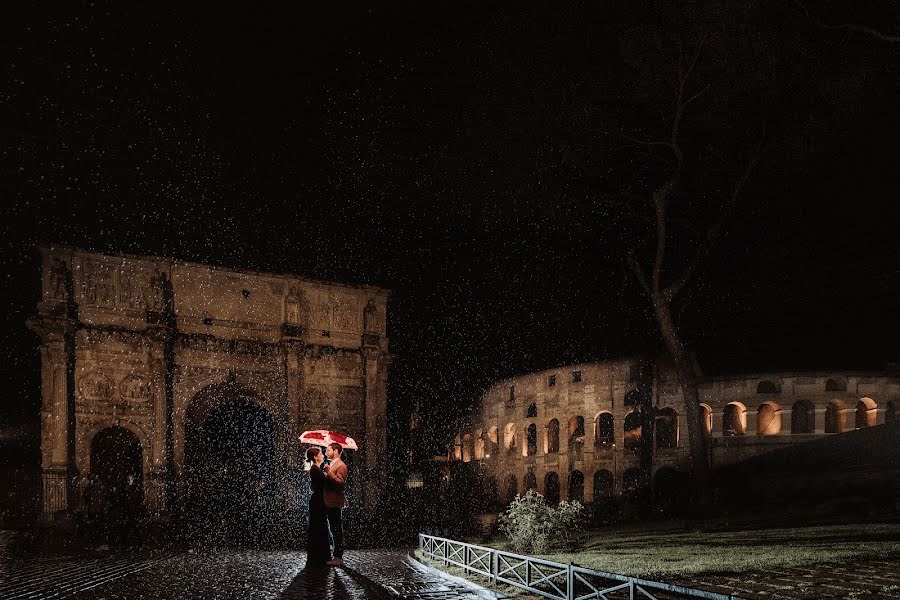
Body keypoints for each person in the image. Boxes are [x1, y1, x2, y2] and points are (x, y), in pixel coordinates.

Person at [323, 442, 348, 567]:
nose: (326, 452)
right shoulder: (332, 464)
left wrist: (329, 472)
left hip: (334, 502)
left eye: (328, 450)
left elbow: (340, 482)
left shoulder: (341, 465)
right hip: (328, 501)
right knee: (332, 529)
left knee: (336, 529)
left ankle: (338, 556)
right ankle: (335, 554)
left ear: (336, 451)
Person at [305, 447, 331, 566]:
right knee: (319, 527)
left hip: (318, 500)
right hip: (318, 501)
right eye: (320, 453)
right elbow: (323, 485)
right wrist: (328, 473)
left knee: (319, 527)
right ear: (315, 457)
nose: (323, 455)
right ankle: (319, 557)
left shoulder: (316, 469)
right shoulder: (315, 469)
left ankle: (318, 556)